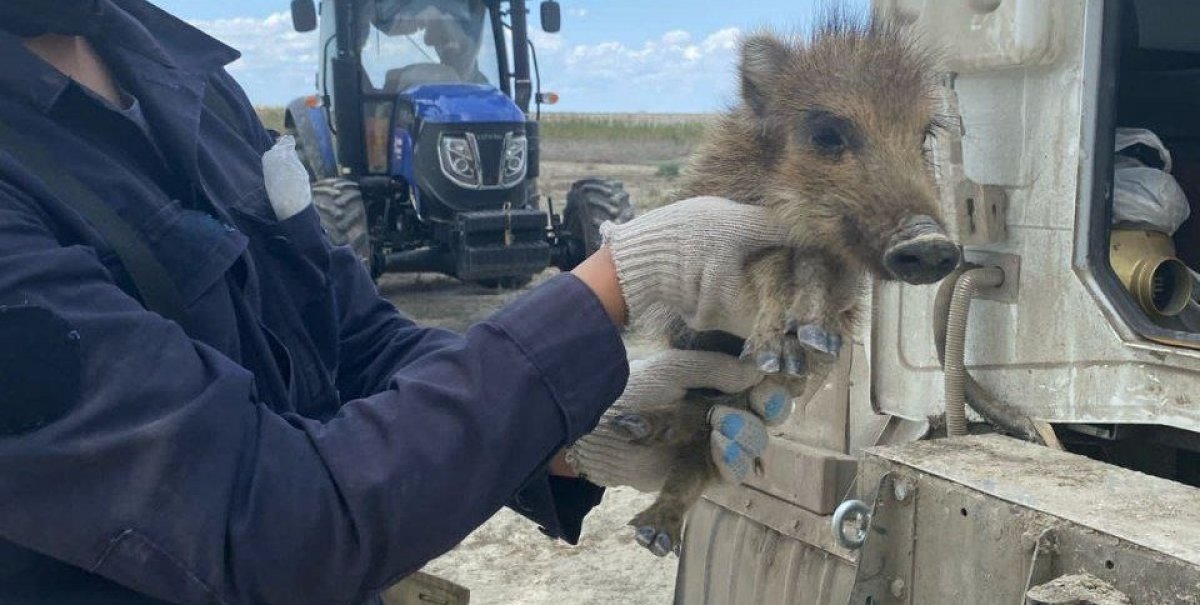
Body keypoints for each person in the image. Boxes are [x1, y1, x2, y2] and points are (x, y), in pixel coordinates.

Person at [0, 1, 793, 603]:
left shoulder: (183, 77)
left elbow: (360, 341)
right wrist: (623, 280)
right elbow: (273, 517)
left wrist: (570, 435)